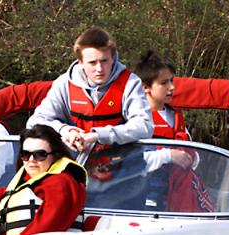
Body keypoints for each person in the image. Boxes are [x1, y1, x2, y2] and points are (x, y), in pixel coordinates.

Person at [25, 28, 153, 152]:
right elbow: (35, 121)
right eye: (92, 62)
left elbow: (144, 126)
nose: (100, 69)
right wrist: (65, 130)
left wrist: (98, 135)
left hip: (123, 164)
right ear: (80, 61)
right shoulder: (64, 83)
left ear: (113, 58)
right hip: (77, 162)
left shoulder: (130, 83)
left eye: (104, 61)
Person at [133, 50, 213, 212]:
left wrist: (191, 156)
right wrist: (169, 155)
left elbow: (193, 156)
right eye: (164, 83)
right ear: (145, 87)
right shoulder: (136, 120)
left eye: (172, 81)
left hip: (178, 195)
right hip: (149, 199)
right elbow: (130, 163)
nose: (172, 87)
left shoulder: (176, 116)